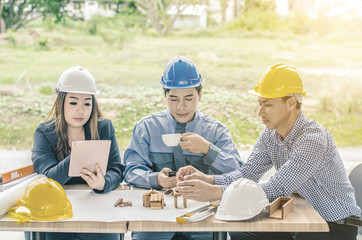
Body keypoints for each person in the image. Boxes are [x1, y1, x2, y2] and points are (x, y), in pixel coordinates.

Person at [176, 63, 361, 240]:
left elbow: (276, 188)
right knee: (241, 235)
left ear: (291, 103)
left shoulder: (312, 140)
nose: (260, 112)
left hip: (334, 226)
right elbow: (246, 174)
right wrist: (207, 179)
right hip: (301, 216)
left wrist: (214, 192)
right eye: (260, 103)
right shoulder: (270, 135)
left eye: (268, 104)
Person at [123, 56, 242, 240]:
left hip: (202, 218)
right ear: (164, 96)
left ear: (200, 95)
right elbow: (131, 170)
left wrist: (207, 149)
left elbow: (238, 173)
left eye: (189, 98)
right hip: (156, 220)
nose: (181, 107)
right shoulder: (147, 128)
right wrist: (157, 180)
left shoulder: (216, 131)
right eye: (173, 99)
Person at [30, 66, 124, 240]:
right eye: (73, 103)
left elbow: (116, 169)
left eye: (87, 103)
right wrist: (78, 156)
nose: (81, 110)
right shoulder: (45, 132)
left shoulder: (104, 128)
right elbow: (48, 179)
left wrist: (104, 183)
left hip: (96, 208)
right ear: (61, 103)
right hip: (56, 212)